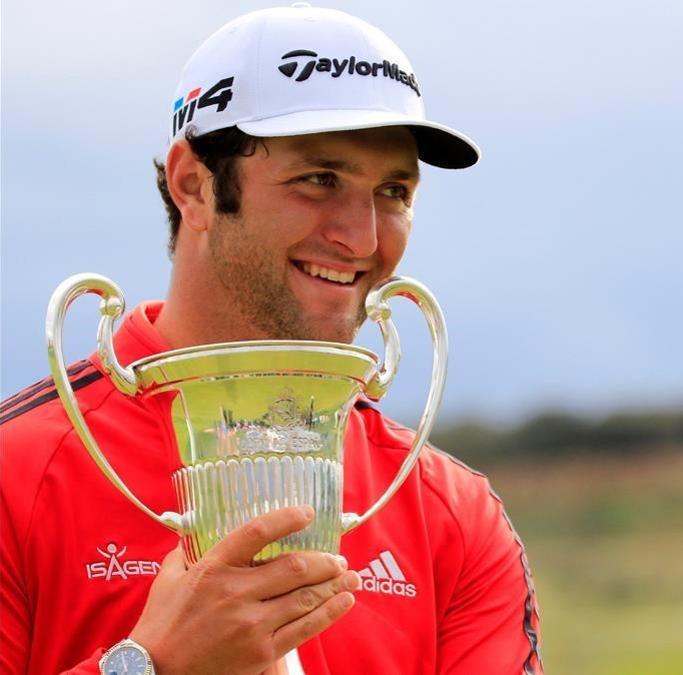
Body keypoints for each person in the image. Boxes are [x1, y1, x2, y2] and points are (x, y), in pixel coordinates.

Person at [0, 5, 542, 674]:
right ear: (193, 185)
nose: (364, 238)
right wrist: (153, 664)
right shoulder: (16, 474)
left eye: (393, 190)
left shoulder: (454, 516)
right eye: (319, 179)